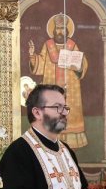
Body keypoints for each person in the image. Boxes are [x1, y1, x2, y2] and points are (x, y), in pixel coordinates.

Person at [27, 13, 89, 148]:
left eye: (62, 28)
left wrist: (78, 65)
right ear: (54, 29)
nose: (60, 31)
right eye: (58, 28)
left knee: (68, 111)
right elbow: (41, 64)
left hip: (70, 87)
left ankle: (72, 142)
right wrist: (33, 56)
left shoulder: (72, 45)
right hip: (52, 84)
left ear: (66, 29)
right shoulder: (48, 45)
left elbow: (82, 64)